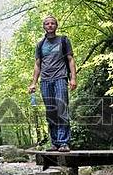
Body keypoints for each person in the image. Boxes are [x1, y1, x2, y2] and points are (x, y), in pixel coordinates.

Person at [28, 15, 77, 152]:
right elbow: (37, 65)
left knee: (61, 108)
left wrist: (73, 78)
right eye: (47, 23)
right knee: (51, 111)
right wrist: (33, 83)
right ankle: (54, 142)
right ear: (44, 26)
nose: (50, 25)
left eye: (52, 23)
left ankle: (63, 142)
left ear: (56, 26)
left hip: (60, 78)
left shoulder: (63, 40)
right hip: (45, 80)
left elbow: (70, 59)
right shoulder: (40, 44)